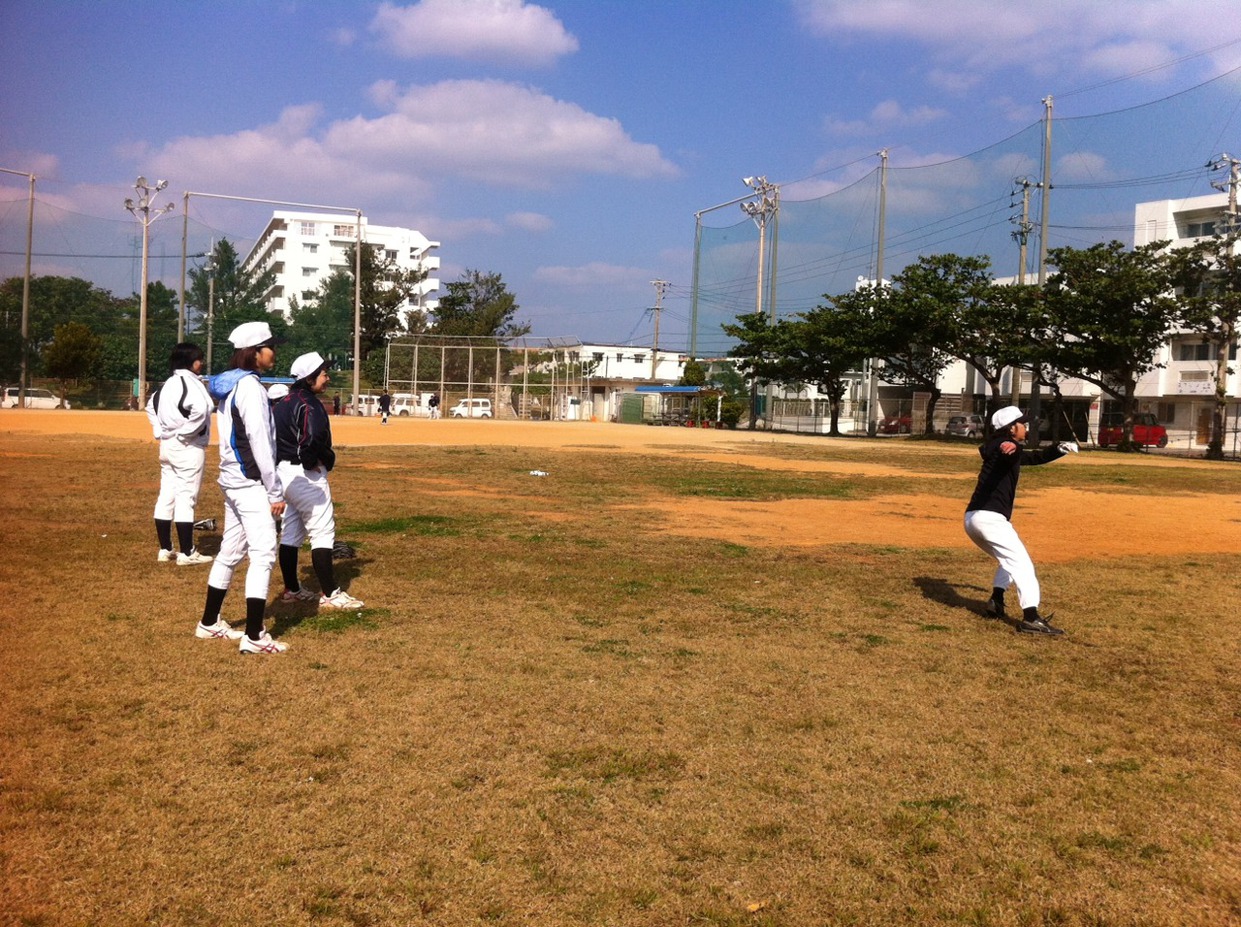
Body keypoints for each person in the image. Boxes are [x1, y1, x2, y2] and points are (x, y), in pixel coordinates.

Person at [196, 321, 289, 654]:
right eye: (270, 347)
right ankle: (254, 636)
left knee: (231, 551)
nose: (274, 352)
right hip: (250, 482)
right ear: (256, 352)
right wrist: (274, 490)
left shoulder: (232, 385)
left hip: (233, 480)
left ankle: (209, 623)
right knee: (263, 552)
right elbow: (260, 441)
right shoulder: (250, 388)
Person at [964, 405, 1078, 636]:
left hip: (973, 519)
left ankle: (996, 601)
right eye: (1022, 424)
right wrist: (1008, 445)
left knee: (1008, 561)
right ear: (1010, 429)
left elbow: (1032, 457)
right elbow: (1003, 448)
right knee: (1023, 565)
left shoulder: (1007, 450)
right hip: (990, 519)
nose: (1025, 428)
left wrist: (1058, 449)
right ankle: (1031, 618)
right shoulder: (1005, 446)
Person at [273, 351, 364, 610]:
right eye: (323, 373)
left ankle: (292, 589)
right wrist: (311, 461)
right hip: (305, 475)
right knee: (322, 532)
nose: (327, 377)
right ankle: (331, 593)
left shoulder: (284, 401)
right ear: (310, 377)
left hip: (284, 473)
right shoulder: (309, 404)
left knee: (291, 532)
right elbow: (310, 441)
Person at [146, 342, 214, 565]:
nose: (201, 362)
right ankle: (187, 553)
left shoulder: (168, 384)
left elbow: (150, 404)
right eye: (199, 358)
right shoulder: (191, 382)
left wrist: (159, 430)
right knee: (187, 498)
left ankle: (165, 549)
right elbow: (204, 408)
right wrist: (185, 433)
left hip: (167, 445)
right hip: (187, 446)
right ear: (190, 361)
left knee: (167, 496)